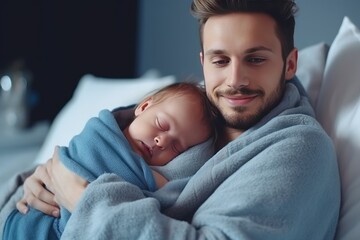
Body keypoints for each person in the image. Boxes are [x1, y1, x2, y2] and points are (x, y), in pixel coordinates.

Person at [2, 0, 341, 239]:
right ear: (203, 62)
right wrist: (40, 181)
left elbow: (83, 190)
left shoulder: (299, 149)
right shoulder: (194, 107)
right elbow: (96, 152)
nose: (235, 79)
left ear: (290, 63)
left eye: (255, 59)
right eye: (220, 61)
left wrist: (81, 197)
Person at [2, 82, 218, 239]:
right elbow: (70, 157)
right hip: (29, 214)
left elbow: (172, 199)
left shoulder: (153, 175)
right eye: (162, 125)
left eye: (176, 147)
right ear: (143, 107)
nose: (161, 141)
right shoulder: (102, 128)